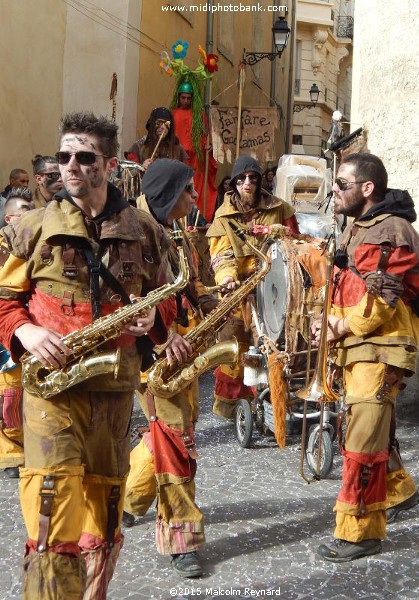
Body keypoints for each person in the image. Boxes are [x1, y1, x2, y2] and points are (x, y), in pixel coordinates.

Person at [0, 111, 178, 599]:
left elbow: (168, 298)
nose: (71, 166)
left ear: (112, 164)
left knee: (104, 514)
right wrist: (27, 332)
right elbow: (2, 299)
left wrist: (154, 321)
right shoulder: (32, 228)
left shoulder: (146, 231)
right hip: (52, 395)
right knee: (53, 513)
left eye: (84, 157)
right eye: (64, 157)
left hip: (116, 396)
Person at [313, 152, 419, 562]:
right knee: (373, 430)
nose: (334, 190)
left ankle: (360, 532)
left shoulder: (389, 230)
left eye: (342, 183)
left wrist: (339, 327)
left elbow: (381, 300)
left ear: (367, 189)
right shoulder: (363, 226)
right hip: (365, 348)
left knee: (362, 439)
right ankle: (398, 493)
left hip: (379, 349)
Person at [122, 159, 218, 578]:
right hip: (154, 354)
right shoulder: (134, 230)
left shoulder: (173, 229)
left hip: (179, 345)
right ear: (168, 193)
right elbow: (131, 300)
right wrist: (163, 337)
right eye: (189, 190)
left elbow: (185, 284)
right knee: (177, 440)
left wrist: (214, 303)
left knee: (164, 434)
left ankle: (127, 502)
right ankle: (182, 538)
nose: (196, 198)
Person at [206, 154, 299, 418]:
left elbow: (293, 241)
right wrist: (226, 277)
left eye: (253, 178)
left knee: (271, 348)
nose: (247, 183)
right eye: (242, 179)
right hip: (236, 291)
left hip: (272, 290)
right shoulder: (223, 217)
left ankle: (272, 406)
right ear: (234, 183)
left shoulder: (278, 208)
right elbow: (221, 254)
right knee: (234, 349)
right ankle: (231, 407)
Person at [0, 190, 35, 479]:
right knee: (9, 396)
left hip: (30, 326)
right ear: (10, 218)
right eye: (25, 209)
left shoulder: (34, 242)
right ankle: (10, 452)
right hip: (4, 326)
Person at [172, 81, 218, 222]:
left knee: (196, 189)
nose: (185, 101)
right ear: (179, 97)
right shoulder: (172, 114)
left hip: (195, 161)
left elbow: (205, 138)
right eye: (183, 97)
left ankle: (197, 220)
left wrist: (208, 147)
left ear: (192, 99)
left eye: (188, 98)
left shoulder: (199, 116)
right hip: (178, 160)